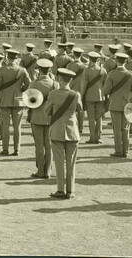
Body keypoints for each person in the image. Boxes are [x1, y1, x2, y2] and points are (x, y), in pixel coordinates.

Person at [46, 68, 82, 199]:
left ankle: (60, 190)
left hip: (57, 130)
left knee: (59, 162)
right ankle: (70, 190)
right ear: (71, 80)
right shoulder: (76, 94)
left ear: (60, 79)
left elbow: (47, 111)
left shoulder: (53, 94)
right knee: (71, 162)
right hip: (72, 130)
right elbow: (80, 109)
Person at [26, 58, 57, 179]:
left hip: (37, 117)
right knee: (49, 145)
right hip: (50, 117)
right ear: (49, 70)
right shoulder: (55, 84)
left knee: (39, 145)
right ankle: (48, 171)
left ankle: (40, 170)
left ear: (39, 70)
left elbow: (28, 100)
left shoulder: (34, 83)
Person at [0, 48, 28, 156]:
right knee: (17, 127)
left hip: (5, 99)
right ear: (16, 58)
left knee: (5, 126)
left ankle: (5, 149)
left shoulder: (2, 70)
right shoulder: (22, 70)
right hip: (18, 100)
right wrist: (21, 90)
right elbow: (29, 83)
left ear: (7, 58)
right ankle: (16, 149)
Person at [103, 52, 132, 158]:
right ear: (126, 61)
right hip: (127, 103)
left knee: (116, 129)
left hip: (115, 103)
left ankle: (118, 151)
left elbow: (106, 90)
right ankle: (126, 151)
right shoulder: (131, 74)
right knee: (125, 128)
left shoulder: (112, 74)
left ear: (116, 61)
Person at [79, 51, 107, 144]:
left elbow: (84, 85)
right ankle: (98, 137)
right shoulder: (103, 70)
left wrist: (82, 95)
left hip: (89, 96)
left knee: (91, 117)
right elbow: (105, 85)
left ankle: (92, 137)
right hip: (101, 96)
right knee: (99, 117)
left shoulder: (87, 70)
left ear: (90, 59)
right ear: (98, 59)